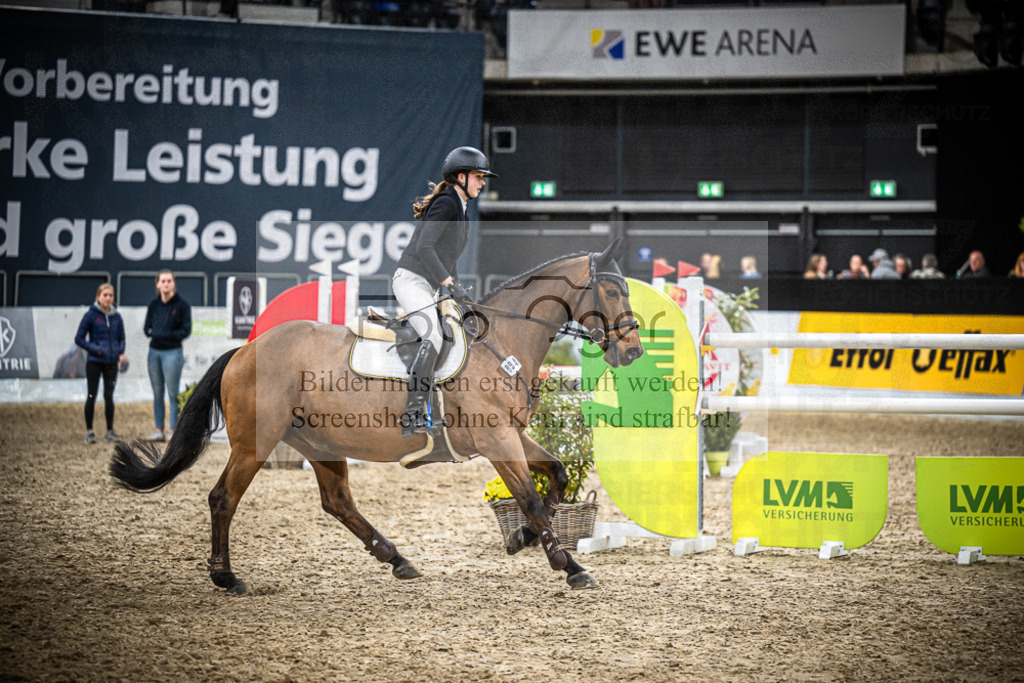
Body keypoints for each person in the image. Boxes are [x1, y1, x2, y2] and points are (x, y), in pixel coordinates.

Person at [392, 146, 496, 437]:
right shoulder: (448, 202)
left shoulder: (459, 207)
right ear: (460, 176)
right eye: (478, 176)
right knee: (434, 335)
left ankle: (435, 409)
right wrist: (448, 284)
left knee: (457, 331)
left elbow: (446, 258)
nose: (482, 182)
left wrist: (458, 290)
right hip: (410, 280)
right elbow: (425, 246)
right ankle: (412, 415)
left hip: (428, 283)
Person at [74, 283, 127, 444]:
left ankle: (110, 431)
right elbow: (79, 338)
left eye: (111, 295)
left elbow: (122, 337)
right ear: (98, 297)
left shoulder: (117, 317)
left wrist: (120, 352)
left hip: (111, 363)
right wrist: (95, 349)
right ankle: (89, 431)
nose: (108, 298)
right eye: (105, 295)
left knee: (109, 396)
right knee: (91, 395)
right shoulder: (91, 315)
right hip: (94, 362)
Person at [143, 270, 192, 442]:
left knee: (172, 393)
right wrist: (157, 334)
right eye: (163, 281)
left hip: (173, 352)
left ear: (173, 283)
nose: (166, 284)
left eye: (169, 281)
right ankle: (159, 430)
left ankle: (172, 430)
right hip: (154, 352)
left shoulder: (182, 305)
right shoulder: (154, 305)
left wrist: (164, 334)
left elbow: (186, 330)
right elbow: (146, 328)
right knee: (157, 393)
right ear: (157, 284)